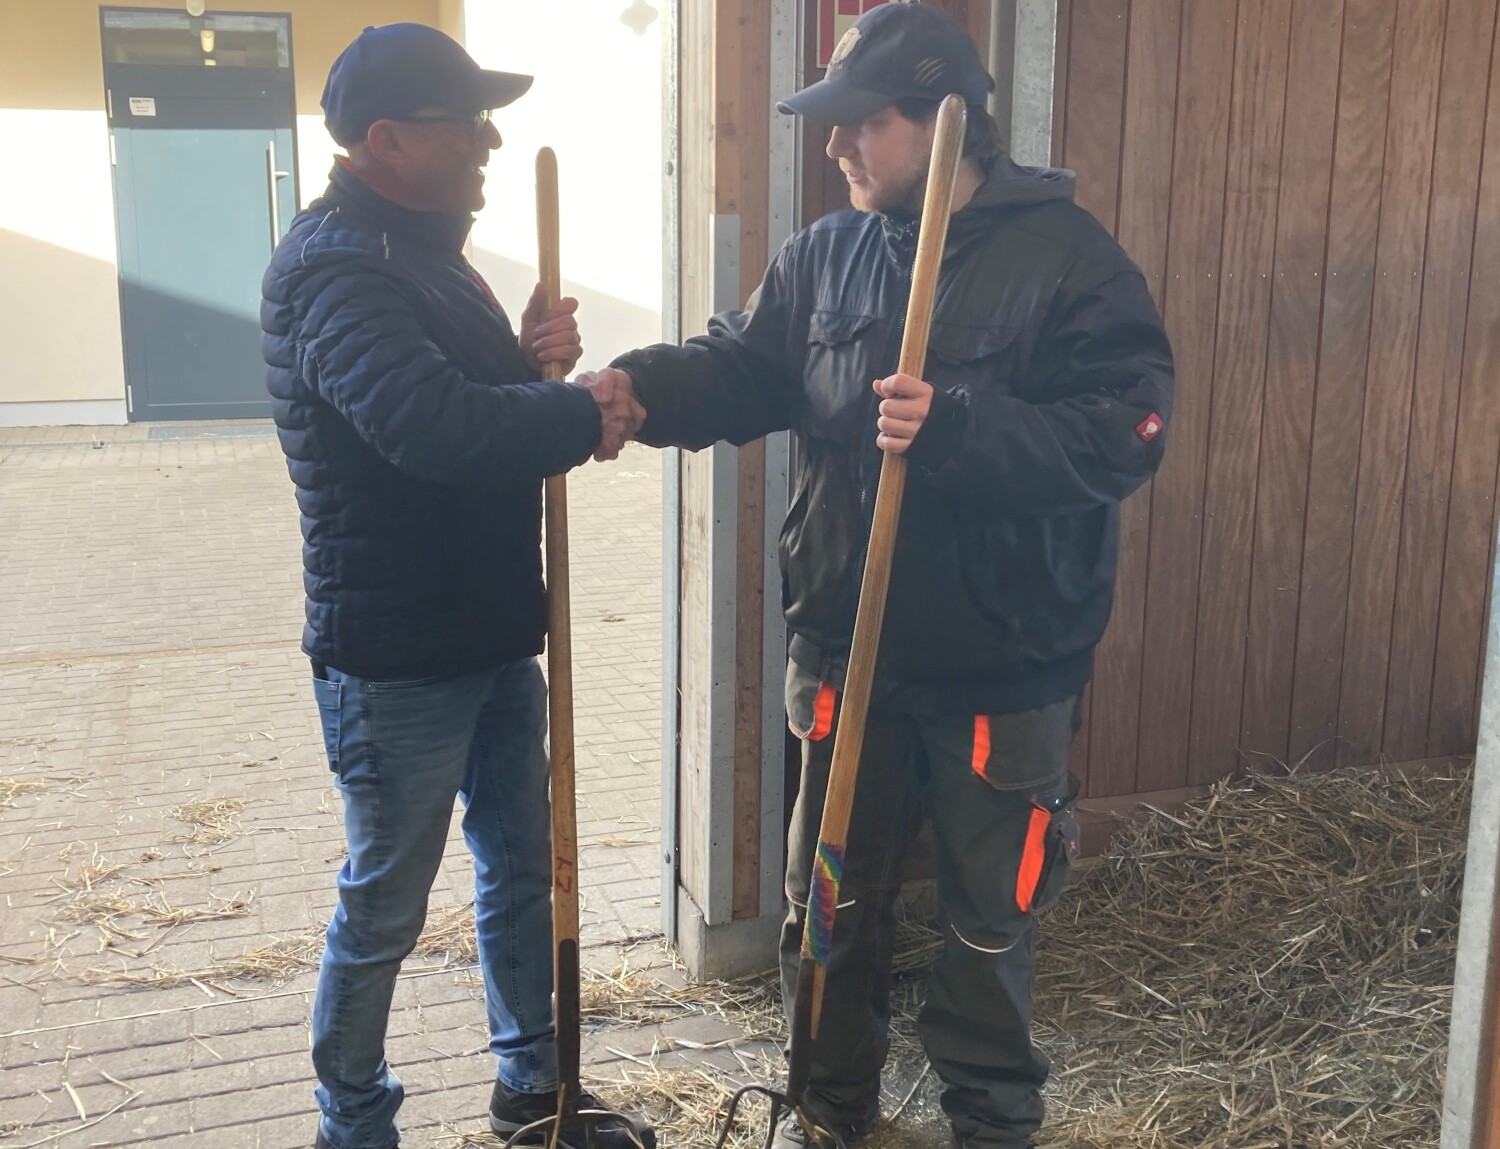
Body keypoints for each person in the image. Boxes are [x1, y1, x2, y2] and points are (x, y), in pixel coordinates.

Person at [583, 5, 1174, 1148]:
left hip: (1001, 669)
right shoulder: (828, 254)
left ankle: (992, 1123)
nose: (837, 147)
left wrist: (960, 427)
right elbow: (745, 370)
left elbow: (1127, 434)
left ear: (947, 119)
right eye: (831, 125)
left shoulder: (1070, 264)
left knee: (990, 921)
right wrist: (639, 390)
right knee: (829, 908)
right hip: (847, 656)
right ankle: (828, 1111)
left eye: (864, 124)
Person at [260, 24, 651, 1149]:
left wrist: (524, 360)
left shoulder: (425, 251)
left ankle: (532, 1088)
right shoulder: (335, 268)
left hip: (487, 632)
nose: (488, 140)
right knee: (385, 904)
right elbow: (426, 426)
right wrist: (581, 409)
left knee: (524, 866)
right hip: (396, 661)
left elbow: (462, 395)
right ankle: (355, 1124)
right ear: (387, 141)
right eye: (464, 121)